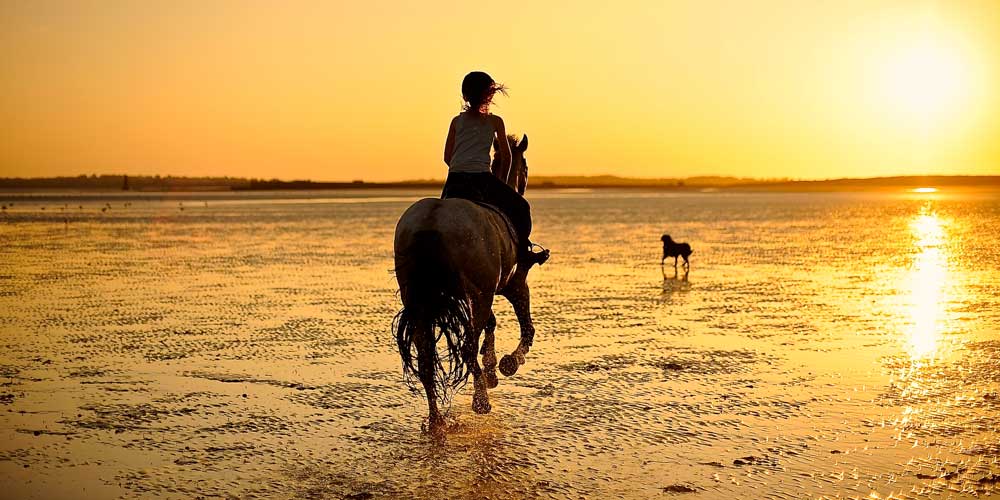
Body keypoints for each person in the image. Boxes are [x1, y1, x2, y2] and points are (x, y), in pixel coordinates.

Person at [441, 71, 549, 267]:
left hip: (455, 180)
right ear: (489, 95)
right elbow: (507, 157)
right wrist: (501, 183)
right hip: (482, 179)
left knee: (441, 216)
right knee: (522, 207)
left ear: (464, 96)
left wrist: (460, 169)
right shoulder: (495, 121)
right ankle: (525, 253)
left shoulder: (456, 121)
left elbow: (447, 157)